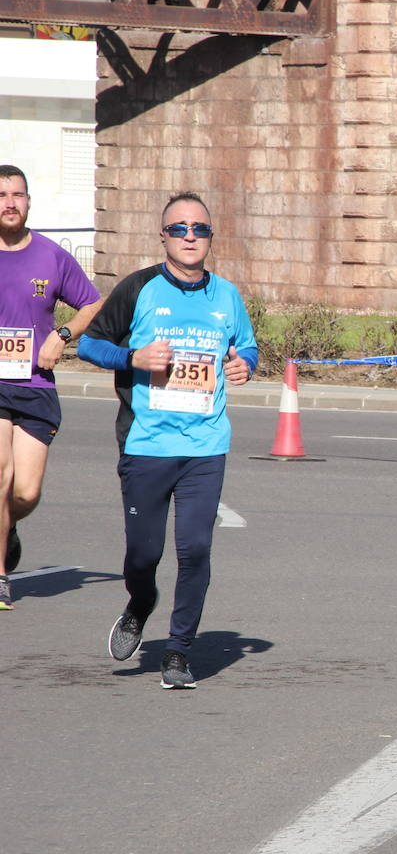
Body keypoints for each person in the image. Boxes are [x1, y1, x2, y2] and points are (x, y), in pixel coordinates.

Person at [77, 192, 257, 688]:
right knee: (143, 556)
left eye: (200, 228)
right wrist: (132, 357)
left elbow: (246, 346)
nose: (191, 237)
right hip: (147, 443)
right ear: (164, 236)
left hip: (205, 445)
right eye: (180, 229)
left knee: (195, 549)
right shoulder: (139, 288)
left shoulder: (226, 296)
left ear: (210, 237)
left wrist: (245, 364)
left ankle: (178, 652)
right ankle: (140, 603)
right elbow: (91, 344)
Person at [0, 165, 103, 610]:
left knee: (24, 492)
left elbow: (92, 302)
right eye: (1, 194)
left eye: (17, 195)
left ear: (28, 202)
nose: (9, 202)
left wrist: (61, 338)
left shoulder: (50, 256)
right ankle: (1, 575)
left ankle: (8, 526)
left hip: (35, 385)